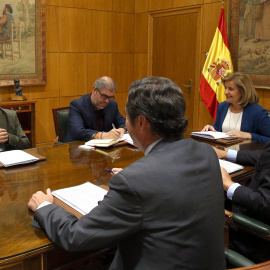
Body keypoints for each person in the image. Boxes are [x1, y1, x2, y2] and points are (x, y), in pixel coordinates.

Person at [28, 76, 225, 270]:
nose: (126, 123)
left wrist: (45, 207)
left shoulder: (136, 181)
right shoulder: (206, 153)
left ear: (141, 123)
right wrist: (134, 178)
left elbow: (76, 237)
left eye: (127, 116)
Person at [214, 144, 270, 263]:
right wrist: (226, 154)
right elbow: (263, 155)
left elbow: (266, 204)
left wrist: (228, 184)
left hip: (255, 241)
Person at [202, 72, 270, 144]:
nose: (225, 92)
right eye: (226, 88)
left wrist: (249, 135)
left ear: (243, 91)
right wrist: (211, 129)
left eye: (230, 89)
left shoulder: (257, 112)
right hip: (222, 152)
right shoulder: (222, 106)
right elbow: (220, 131)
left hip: (244, 154)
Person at [64, 76, 126, 143]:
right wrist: (101, 135)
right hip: (79, 147)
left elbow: (123, 122)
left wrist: (121, 130)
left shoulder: (112, 104)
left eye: (110, 97)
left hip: (105, 147)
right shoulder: (77, 105)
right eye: (104, 96)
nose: (107, 101)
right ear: (94, 90)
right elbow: (78, 131)